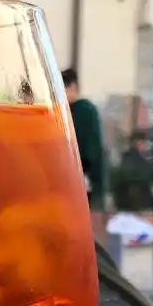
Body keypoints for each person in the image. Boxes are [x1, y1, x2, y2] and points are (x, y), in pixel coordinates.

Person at [63, 68, 106, 210]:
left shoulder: (83, 111)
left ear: (73, 87)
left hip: (83, 178)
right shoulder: (71, 111)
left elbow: (90, 152)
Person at [110, 130, 153, 214]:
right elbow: (151, 176)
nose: (145, 146)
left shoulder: (124, 159)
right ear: (138, 143)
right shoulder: (141, 161)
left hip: (126, 206)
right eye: (144, 143)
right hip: (140, 206)